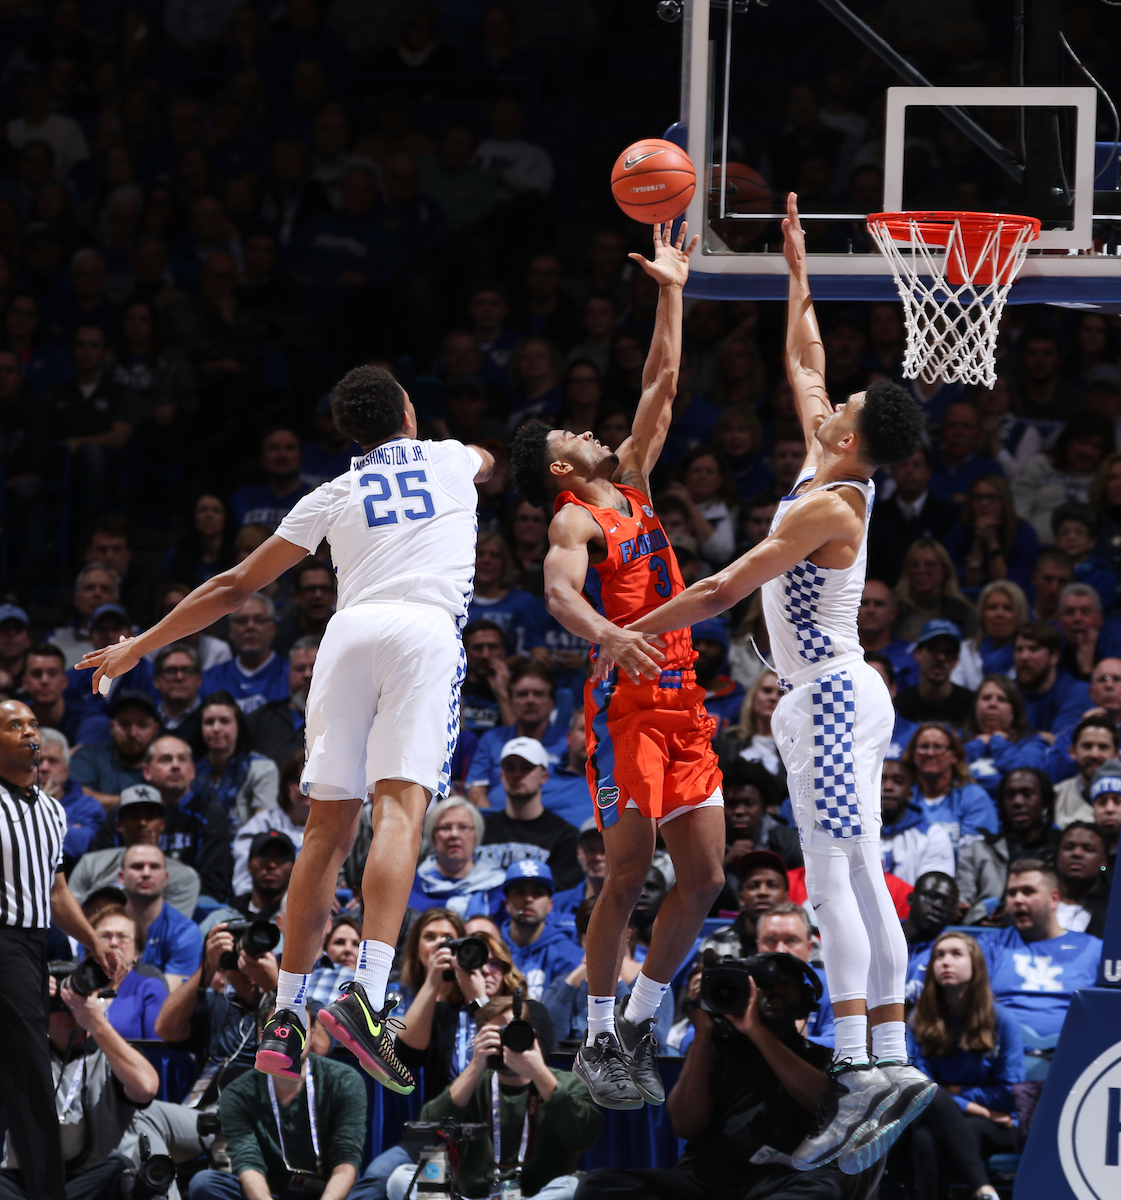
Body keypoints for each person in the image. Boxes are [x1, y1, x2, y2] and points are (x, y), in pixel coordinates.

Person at [620, 194, 933, 1171]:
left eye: (840, 407)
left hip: (832, 693)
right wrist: (795, 270)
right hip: (828, 693)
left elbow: (719, 586)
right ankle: (883, 1056)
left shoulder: (825, 507)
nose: (827, 399)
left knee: (834, 875)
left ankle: (856, 1065)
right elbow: (804, 360)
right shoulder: (830, 460)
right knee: (851, 869)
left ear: (850, 436)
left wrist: (633, 624)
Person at [84, 362, 496, 1091]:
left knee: (324, 830)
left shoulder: (332, 491)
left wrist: (138, 644)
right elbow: (491, 462)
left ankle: (288, 1011)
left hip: (346, 634)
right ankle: (365, 995)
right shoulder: (449, 457)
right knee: (400, 811)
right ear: (407, 414)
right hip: (421, 631)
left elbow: (232, 586)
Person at [509, 222, 725, 1110]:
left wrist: (671, 287)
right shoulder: (574, 522)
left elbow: (661, 384)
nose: (586, 426)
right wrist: (606, 630)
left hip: (686, 700)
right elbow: (558, 594)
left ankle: (637, 1018)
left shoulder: (631, 481)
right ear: (563, 468)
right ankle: (596, 1033)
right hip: (629, 704)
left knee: (707, 877)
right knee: (629, 875)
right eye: (570, 430)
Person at [575, 950, 845, 1200]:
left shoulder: (818, 1057)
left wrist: (755, 1030)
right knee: (598, 1186)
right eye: (765, 985)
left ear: (807, 998)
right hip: (706, 1176)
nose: (775, 992)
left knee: (823, 1191)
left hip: (783, 1178)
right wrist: (703, 1031)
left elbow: (826, 1104)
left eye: (787, 984)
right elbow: (685, 1126)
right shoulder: (717, 1048)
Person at [0, 699, 118, 1200]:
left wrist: (95, 944)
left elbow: (57, 893)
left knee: (25, 1071)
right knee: (27, 1068)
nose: (31, 732)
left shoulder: (52, 811)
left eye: (33, 724)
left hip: (28, 947)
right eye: (14, 725)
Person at [388, 994, 600, 1200]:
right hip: (469, 1196)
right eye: (497, 1033)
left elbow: (582, 1137)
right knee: (401, 1177)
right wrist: (475, 1066)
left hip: (534, 1195)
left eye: (511, 1032)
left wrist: (539, 1073)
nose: (505, 1041)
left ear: (530, 1034)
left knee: (572, 1187)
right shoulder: (473, 1083)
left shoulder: (565, 1083)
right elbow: (429, 1133)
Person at [188, 993, 367, 1200]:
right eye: (280, 1030)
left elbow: (346, 1159)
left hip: (327, 1192)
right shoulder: (238, 1093)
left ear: (314, 1034)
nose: (291, 1038)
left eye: (301, 1028)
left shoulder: (344, 1080)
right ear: (261, 1036)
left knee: (375, 1187)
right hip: (268, 1192)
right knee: (206, 1184)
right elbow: (248, 1163)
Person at [0, 967, 160, 1200]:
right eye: (56, 1003)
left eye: (74, 1001)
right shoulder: (19, 1053)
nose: (66, 1010)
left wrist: (96, 1023)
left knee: (118, 1167)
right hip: (26, 1179)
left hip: (91, 1179)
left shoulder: (112, 1054)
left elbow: (146, 1087)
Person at [906, 932, 1024, 1200]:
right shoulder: (919, 1021)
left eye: (956, 954)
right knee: (926, 1132)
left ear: (976, 965)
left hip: (999, 1124)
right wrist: (980, 1108)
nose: (945, 962)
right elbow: (920, 1092)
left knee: (932, 1133)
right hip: (964, 1116)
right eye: (939, 955)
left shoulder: (1003, 1020)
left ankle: (982, 1189)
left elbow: (1009, 1094)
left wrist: (956, 1095)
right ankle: (983, 1190)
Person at [396, 911, 528, 1103]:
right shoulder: (442, 1011)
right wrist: (433, 982)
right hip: (447, 1116)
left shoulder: (528, 1009)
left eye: (493, 963)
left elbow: (511, 1061)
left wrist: (478, 1000)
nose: (484, 969)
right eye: (430, 937)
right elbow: (408, 1056)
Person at [983, 859, 1103, 1038]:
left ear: (1054, 899)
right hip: (1003, 1052)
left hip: (1073, 1055)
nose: (1018, 900)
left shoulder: (1093, 949)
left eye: (1028, 891)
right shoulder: (990, 945)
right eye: (1012, 893)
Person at [543, 895, 675, 1047]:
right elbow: (548, 1041)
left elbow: (652, 1043)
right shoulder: (564, 982)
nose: (601, 940)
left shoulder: (654, 983)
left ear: (628, 934)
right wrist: (571, 983)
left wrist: (614, 980)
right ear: (581, 939)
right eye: (591, 932)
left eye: (608, 931)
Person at [68, 783, 201, 917]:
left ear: (162, 824)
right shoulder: (91, 864)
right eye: (133, 816)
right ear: (119, 825)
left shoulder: (184, 877)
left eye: (150, 816)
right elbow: (71, 915)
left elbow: (172, 929)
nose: (142, 823)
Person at [955, 769, 1061, 923]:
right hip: (985, 932)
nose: (1017, 802)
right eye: (1010, 795)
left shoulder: (1062, 848)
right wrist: (959, 907)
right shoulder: (980, 849)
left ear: (1044, 799)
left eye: (1027, 793)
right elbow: (963, 897)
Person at [480, 739, 582, 888]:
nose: (517, 774)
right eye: (510, 768)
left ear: (544, 777)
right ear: (501, 776)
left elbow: (561, 891)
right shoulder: (480, 830)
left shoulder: (565, 836)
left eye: (527, 768)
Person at [466, 666, 567, 807]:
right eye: (522, 694)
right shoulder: (492, 739)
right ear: (511, 703)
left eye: (538, 694)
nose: (530, 700)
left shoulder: (567, 740)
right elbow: (476, 792)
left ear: (552, 704)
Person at [867, 447, 956, 587]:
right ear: (893, 471)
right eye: (903, 464)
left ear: (928, 472)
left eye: (917, 465)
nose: (909, 470)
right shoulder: (876, 515)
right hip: (888, 595)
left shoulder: (947, 513)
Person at [901, 723, 998, 851]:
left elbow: (976, 856)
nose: (930, 753)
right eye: (924, 747)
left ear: (954, 756)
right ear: (913, 755)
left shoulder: (974, 797)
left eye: (938, 747)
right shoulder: (903, 796)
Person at [119, 843, 203, 990]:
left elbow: (168, 999)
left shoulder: (184, 932)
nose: (146, 873)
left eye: (154, 867)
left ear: (165, 878)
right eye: (137, 866)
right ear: (121, 877)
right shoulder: (102, 927)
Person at [191, 691, 279, 826]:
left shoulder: (262, 769)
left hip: (245, 844)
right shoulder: (190, 768)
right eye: (209, 722)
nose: (216, 728)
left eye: (224, 721)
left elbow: (265, 827)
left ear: (238, 726)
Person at [409, 795, 505, 916]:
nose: (454, 834)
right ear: (432, 835)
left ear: (476, 834)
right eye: (445, 827)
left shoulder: (497, 885)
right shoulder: (413, 883)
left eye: (463, 827)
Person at [499, 861, 583, 999]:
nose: (528, 899)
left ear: (550, 905)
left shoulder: (569, 955)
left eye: (537, 893)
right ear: (507, 904)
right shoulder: (493, 948)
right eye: (520, 892)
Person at [944, 473, 1038, 593]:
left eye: (992, 498)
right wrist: (978, 543)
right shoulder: (959, 532)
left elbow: (1007, 588)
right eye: (978, 497)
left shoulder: (1024, 534)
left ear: (1004, 502)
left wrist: (992, 542)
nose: (984, 503)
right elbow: (967, 586)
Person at [233, 752, 309, 895]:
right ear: (287, 785)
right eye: (302, 781)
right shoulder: (262, 824)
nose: (308, 790)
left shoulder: (334, 827)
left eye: (316, 784)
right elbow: (243, 883)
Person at [69, 690, 162, 807]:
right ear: (111, 726)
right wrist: (143, 803)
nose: (132, 733)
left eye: (142, 725)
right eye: (124, 724)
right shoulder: (88, 756)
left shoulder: (168, 761)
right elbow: (77, 797)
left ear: (155, 730)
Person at [88, 904, 167, 1040]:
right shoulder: (75, 986)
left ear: (136, 952)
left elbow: (157, 1053)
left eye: (122, 937)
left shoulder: (150, 989)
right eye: (105, 936)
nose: (113, 943)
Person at [201, 595, 290, 715]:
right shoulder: (210, 679)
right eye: (242, 621)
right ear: (230, 631)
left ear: (273, 629)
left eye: (259, 620)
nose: (250, 627)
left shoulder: (292, 675)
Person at [962, 676, 1048, 797]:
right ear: (975, 706)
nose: (992, 704)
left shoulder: (1031, 742)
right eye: (986, 698)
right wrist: (978, 744)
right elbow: (944, 766)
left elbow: (1028, 775)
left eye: (1002, 699)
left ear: (1014, 710)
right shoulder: (956, 739)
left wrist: (998, 742)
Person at [701, 849, 790, 960]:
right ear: (741, 898)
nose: (762, 892)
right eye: (753, 886)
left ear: (786, 898)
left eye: (772, 885)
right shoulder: (715, 943)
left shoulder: (804, 943)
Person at [35, 727, 106, 866]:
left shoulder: (87, 806)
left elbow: (78, 846)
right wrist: (67, 828)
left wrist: (42, 807)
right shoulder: (8, 801)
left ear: (66, 770)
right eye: (37, 761)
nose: (44, 768)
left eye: (53, 761)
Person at [879, 758, 955, 886]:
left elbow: (933, 897)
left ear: (910, 795)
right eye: (880, 781)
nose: (888, 787)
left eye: (897, 781)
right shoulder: (851, 834)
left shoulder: (933, 835)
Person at [245, 637, 318, 769]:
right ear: (288, 673)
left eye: (315, 667)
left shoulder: (338, 721)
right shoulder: (261, 718)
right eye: (300, 669)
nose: (307, 674)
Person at [1013, 620, 1091, 735]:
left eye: (1033, 649)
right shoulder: (1006, 693)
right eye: (1019, 649)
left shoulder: (1078, 692)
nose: (1024, 656)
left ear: (1054, 656)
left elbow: (1058, 743)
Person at [893, 539, 977, 644]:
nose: (921, 570)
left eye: (930, 564)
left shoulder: (963, 613)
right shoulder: (894, 610)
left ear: (945, 570)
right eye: (915, 565)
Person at [894, 620, 976, 728]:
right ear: (917, 654)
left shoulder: (970, 705)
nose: (941, 657)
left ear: (956, 661)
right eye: (933, 649)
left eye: (949, 651)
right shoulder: (900, 705)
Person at [950, 581, 1027, 693]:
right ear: (982, 614)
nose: (999, 614)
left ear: (1019, 615)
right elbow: (955, 693)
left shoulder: (1028, 654)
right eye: (992, 607)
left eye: (1008, 608)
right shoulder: (964, 651)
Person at [903, 872, 961, 1004]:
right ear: (911, 898)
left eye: (948, 903)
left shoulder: (950, 957)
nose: (939, 905)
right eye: (931, 896)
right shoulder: (878, 941)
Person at [1051, 714, 1118, 826]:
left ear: (1116, 755)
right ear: (1073, 752)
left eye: (1103, 747)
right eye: (1087, 746)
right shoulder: (1055, 796)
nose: (1094, 754)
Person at [1055, 821, 1112, 936]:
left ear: (1103, 861)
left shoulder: (1113, 911)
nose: (1076, 853)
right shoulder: (1038, 901)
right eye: (1069, 847)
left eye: (1088, 849)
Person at [151, 643, 204, 742]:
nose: (179, 677)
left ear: (199, 679)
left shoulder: (210, 720)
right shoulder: (147, 721)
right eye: (171, 671)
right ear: (156, 681)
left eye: (187, 670)